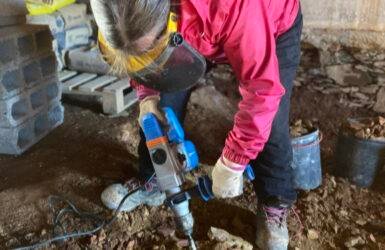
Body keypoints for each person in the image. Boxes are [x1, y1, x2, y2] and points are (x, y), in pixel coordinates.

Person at [90, 0, 302, 249]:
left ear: (168, 15)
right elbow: (137, 54)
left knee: (272, 122)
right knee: (163, 107)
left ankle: (273, 202)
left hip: (271, 25)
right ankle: (155, 180)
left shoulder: (235, 7)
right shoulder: (122, 9)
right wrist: (148, 95)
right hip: (193, 27)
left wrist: (235, 160)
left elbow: (262, 92)